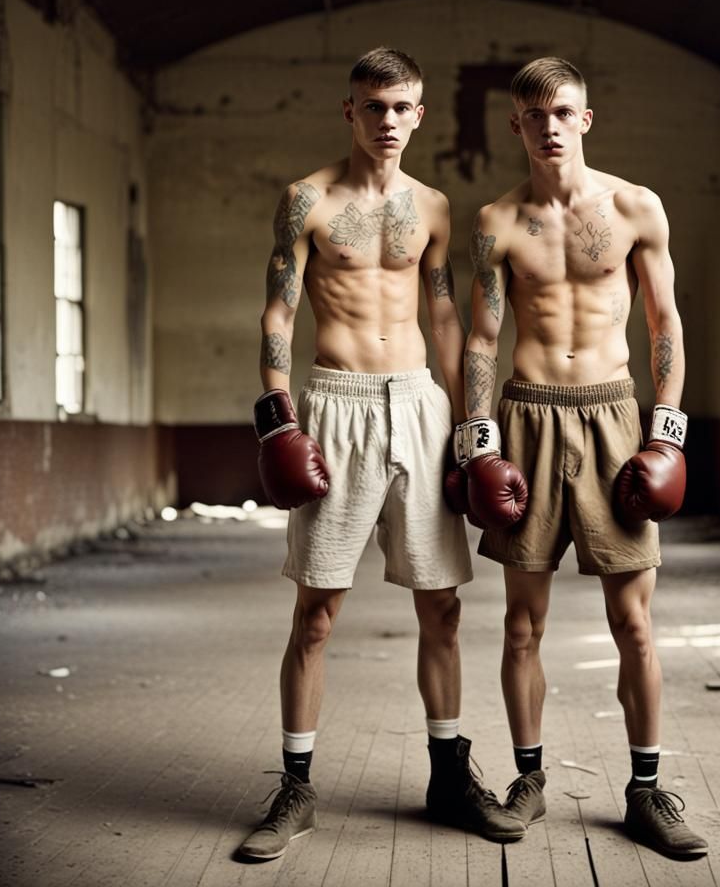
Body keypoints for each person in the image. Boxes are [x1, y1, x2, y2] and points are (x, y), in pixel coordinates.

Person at [241, 47, 525, 861]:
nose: (389, 121)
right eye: (374, 107)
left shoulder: (433, 207)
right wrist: (278, 420)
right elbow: (277, 317)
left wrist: (471, 433)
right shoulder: (307, 201)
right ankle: (295, 787)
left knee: (442, 606)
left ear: (421, 113)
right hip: (335, 402)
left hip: (419, 407)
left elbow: (445, 321)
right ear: (350, 111)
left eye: (403, 108)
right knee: (317, 613)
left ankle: (447, 774)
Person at [453, 57, 708, 859]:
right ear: (517, 126)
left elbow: (665, 328)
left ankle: (646, 790)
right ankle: (529, 779)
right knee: (522, 622)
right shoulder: (497, 221)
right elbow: (482, 341)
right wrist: (479, 441)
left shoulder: (636, 208)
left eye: (564, 112)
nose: (551, 125)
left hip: (613, 417)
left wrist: (666, 433)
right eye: (535, 115)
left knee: (633, 620)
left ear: (585, 119)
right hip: (527, 417)